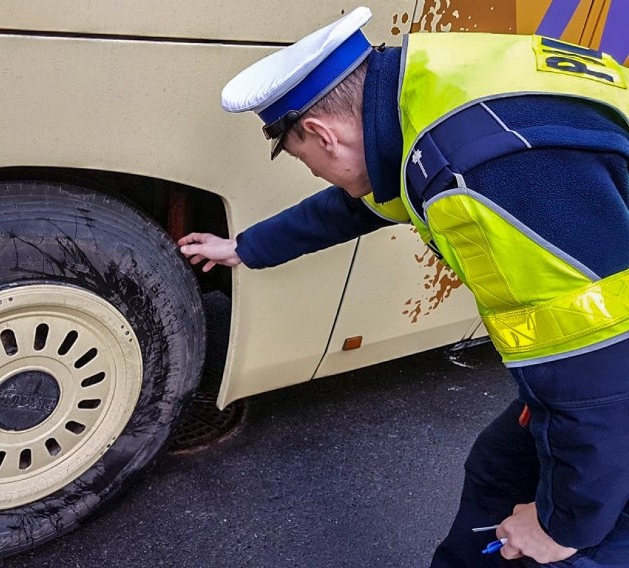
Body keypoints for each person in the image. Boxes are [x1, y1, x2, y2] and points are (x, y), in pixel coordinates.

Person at [178, 7, 629, 567]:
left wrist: (564, 526)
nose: (318, 176)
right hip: (600, 363)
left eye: (308, 162)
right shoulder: (420, 90)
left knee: (583, 548)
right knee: (499, 469)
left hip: (609, 369)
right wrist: (244, 247)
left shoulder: (485, 180)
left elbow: (598, 369)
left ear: (321, 132)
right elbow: (367, 199)